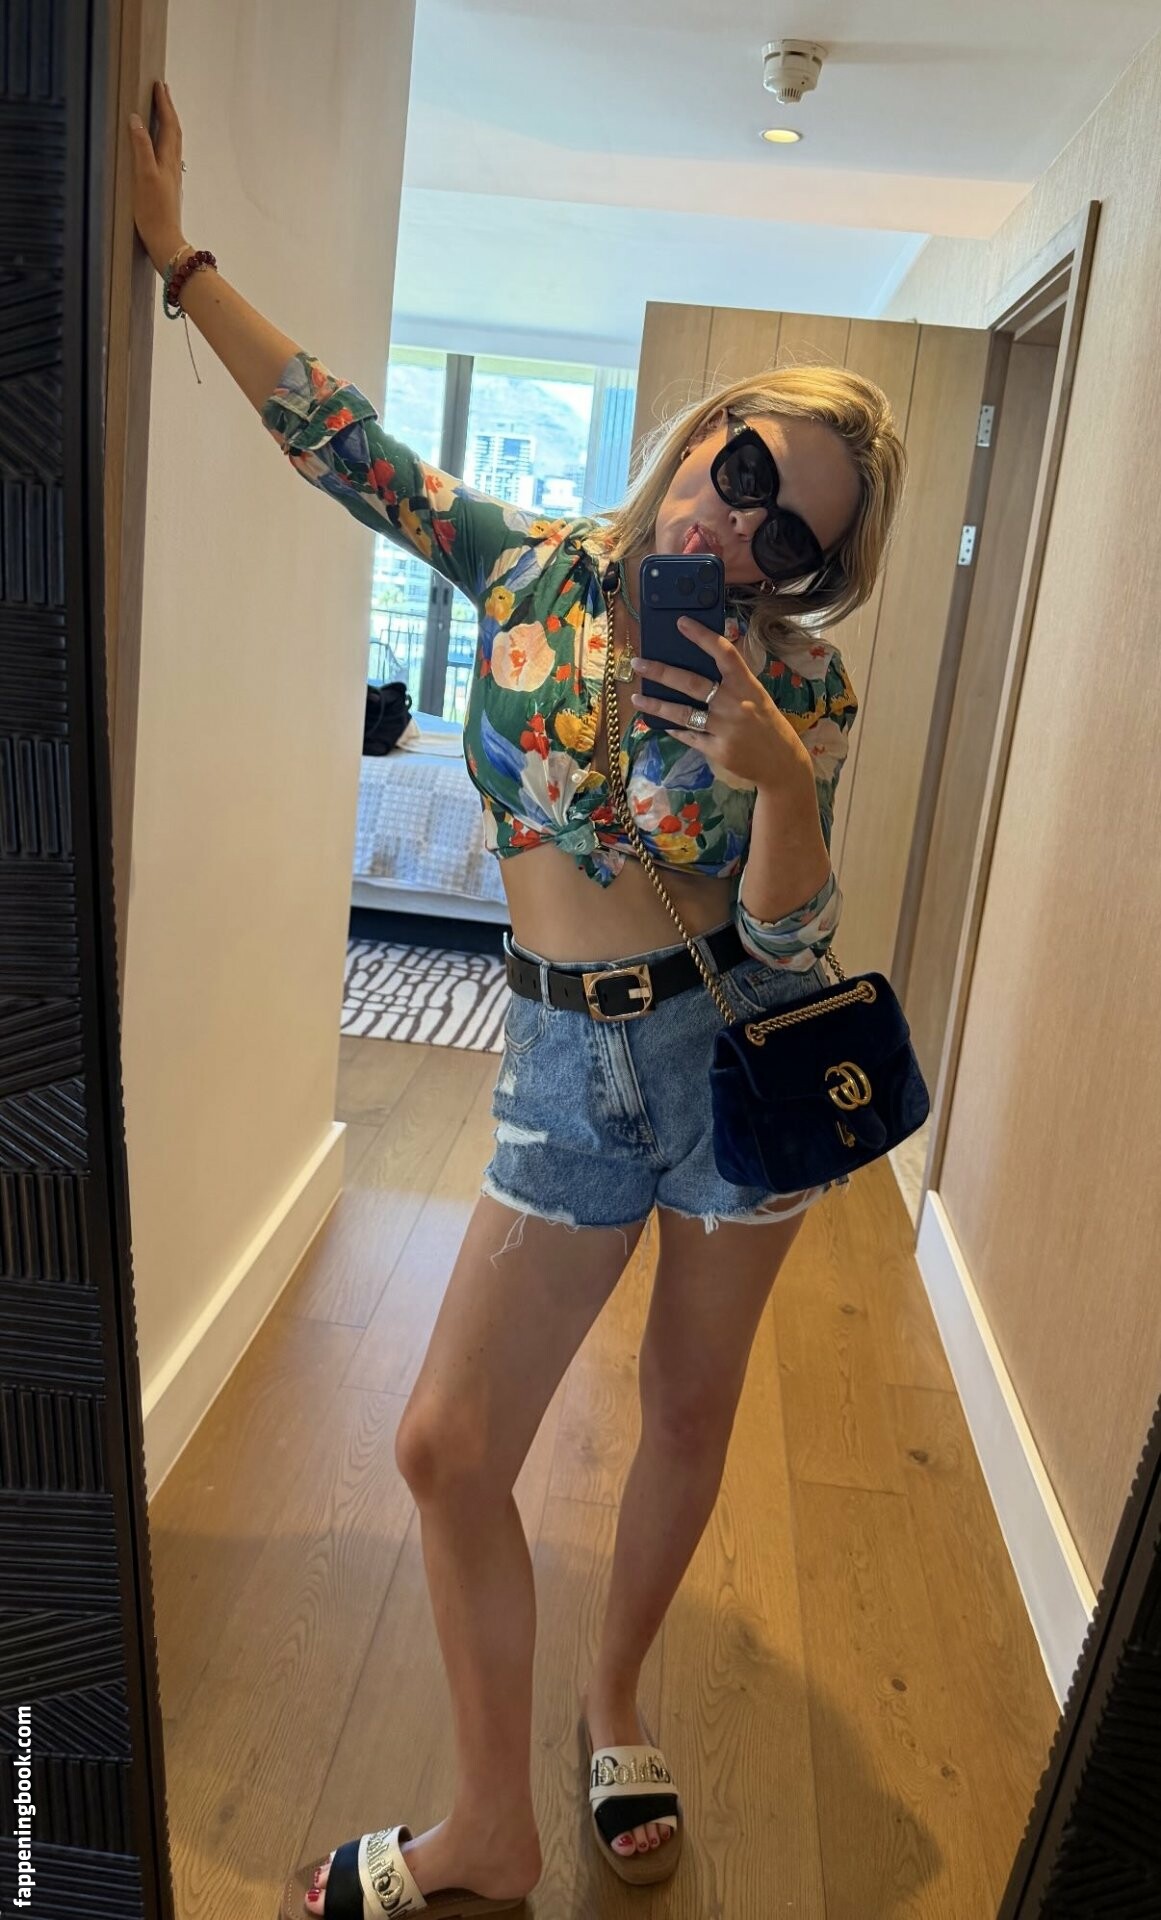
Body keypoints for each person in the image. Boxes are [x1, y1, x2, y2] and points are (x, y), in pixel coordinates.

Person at [131, 82, 905, 1920]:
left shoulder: (799, 692)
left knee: (691, 1416)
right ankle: (490, 1825)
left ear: (817, 581)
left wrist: (774, 781)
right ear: (704, 432)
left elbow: (790, 944)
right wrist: (178, 257)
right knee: (444, 1444)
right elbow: (348, 444)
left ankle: (613, 1704)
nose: (744, 539)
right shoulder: (529, 568)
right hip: (559, 1063)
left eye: (792, 545)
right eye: (745, 476)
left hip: (731, 1072)